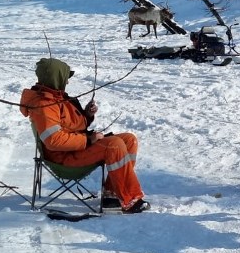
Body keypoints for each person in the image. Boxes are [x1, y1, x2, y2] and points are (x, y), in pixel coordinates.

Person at [20, 57, 149, 213]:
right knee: (114, 144)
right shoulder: (44, 104)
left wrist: (87, 115)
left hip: (74, 150)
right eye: (65, 78)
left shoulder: (57, 98)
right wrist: (89, 139)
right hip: (63, 159)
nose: (67, 82)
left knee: (128, 140)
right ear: (56, 77)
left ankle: (112, 194)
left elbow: (71, 125)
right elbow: (54, 141)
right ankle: (131, 200)